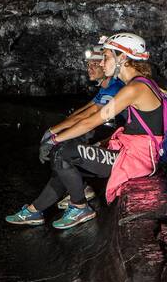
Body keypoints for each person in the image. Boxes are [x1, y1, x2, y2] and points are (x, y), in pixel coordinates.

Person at [5, 32, 165, 230]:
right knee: (63, 159)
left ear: (122, 58)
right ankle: (34, 210)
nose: (102, 62)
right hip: (128, 152)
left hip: (135, 160)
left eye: (106, 57)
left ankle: (80, 206)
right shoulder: (134, 85)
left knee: (63, 152)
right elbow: (91, 111)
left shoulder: (135, 89)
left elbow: (92, 121)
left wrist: (54, 139)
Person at [44, 39, 124, 209]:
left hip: (121, 142)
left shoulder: (115, 87)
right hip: (116, 134)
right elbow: (81, 112)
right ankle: (78, 186)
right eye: (89, 64)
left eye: (96, 63)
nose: (90, 68)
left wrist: (53, 134)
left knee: (74, 141)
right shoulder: (106, 86)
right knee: (71, 138)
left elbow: (87, 117)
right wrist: (57, 130)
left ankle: (79, 193)